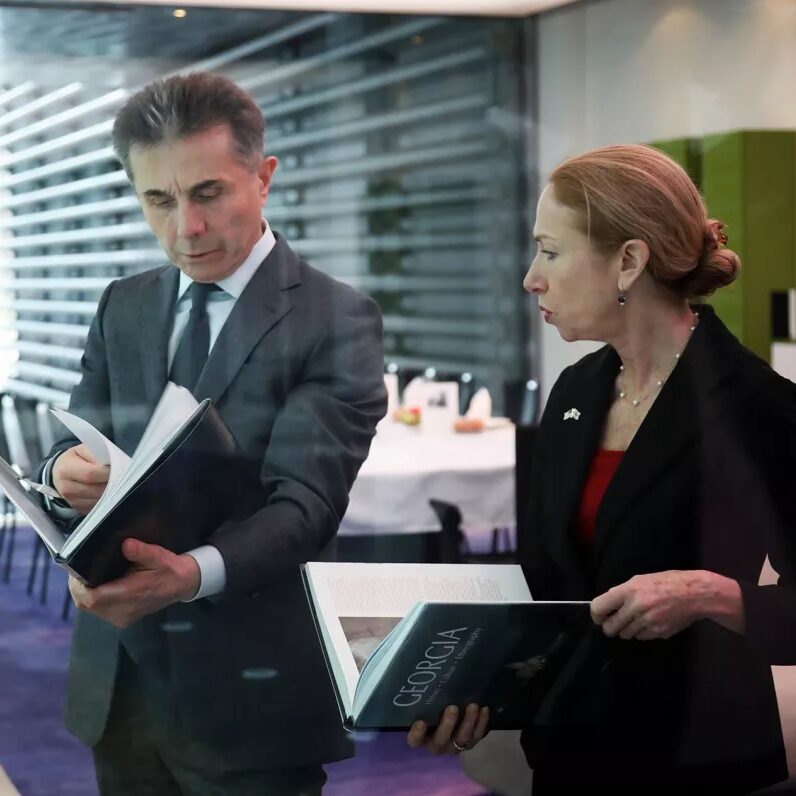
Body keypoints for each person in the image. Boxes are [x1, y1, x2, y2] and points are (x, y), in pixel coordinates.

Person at [407, 144, 796, 793]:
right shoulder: (576, 390)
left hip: (697, 762)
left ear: (629, 262)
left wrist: (714, 595)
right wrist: (472, 690)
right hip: (570, 751)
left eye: (550, 252)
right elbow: (545, 587)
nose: (531, 278)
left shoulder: (759, 407)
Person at [38, 72, 387, 795]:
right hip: (121, 681)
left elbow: (305, 505)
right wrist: (62, 474)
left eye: (207, 194)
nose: (185, 229)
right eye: (159, 201)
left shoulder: (335, 318)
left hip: (251, 689)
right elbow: (75, 441)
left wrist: (189, 575)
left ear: (264, 177)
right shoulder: (124, 303)